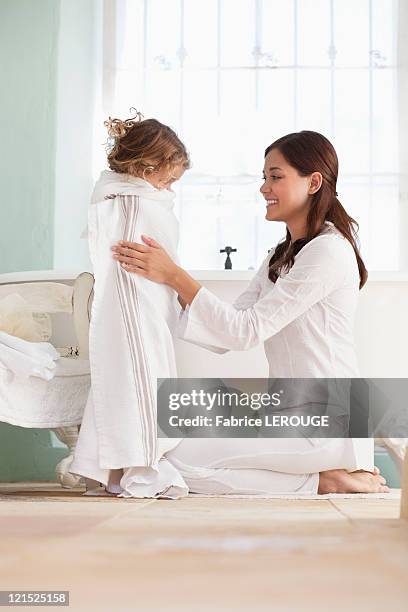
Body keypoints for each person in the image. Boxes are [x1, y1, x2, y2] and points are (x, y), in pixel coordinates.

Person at [111, 130, 389, 495]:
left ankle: (321, 481)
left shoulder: (328, 252)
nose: (264, 188)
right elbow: (231, 328)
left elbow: (247, 331)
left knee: (171, 461)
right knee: (161, 448)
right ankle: (321, 479)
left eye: (276, 176)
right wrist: (164, 282)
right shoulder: (281, 253)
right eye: (264, 177)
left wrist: (175, 276)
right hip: (288, 414)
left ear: (313, 182)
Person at [70, 111, 191, 497]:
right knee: (138, 379)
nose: (170, 188)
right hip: (132, 309)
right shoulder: (129, 203)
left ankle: (117, 468)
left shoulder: (128, 198)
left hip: (145, 305)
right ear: (143, 167)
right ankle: (141, 465)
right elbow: (127, 258)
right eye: (167, 178)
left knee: (133, 380)